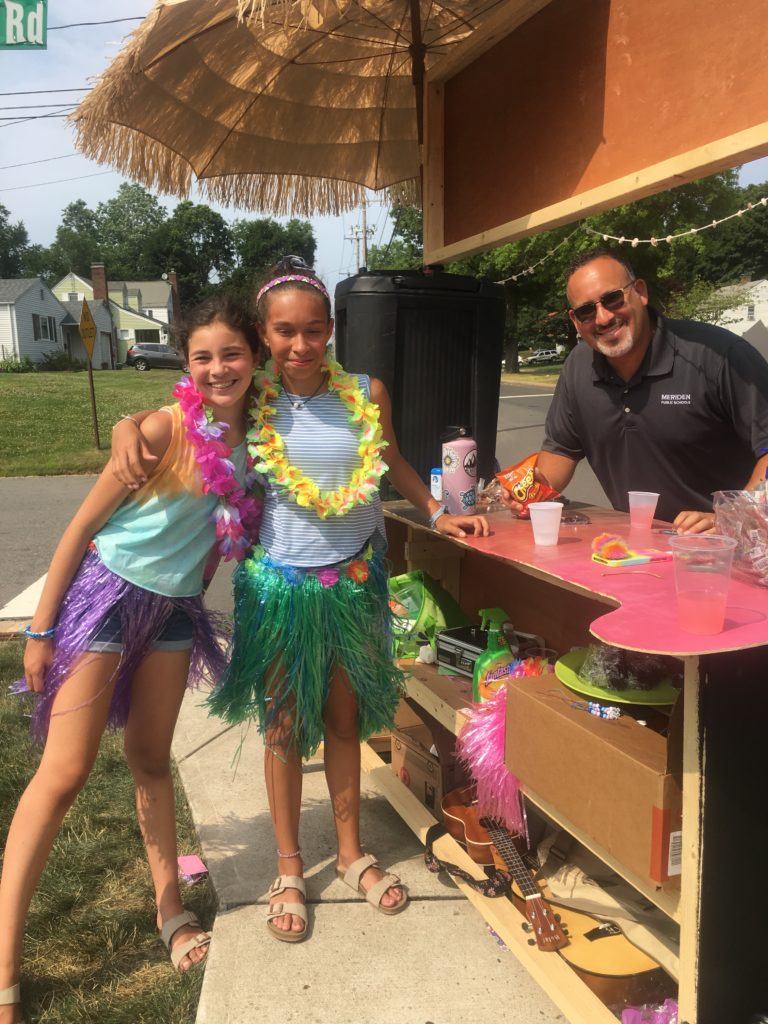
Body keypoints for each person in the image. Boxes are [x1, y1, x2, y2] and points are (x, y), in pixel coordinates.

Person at [111, 257, 489, 943]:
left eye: (313, 331)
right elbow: (182, 413)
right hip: (279, 584)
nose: (299, 346)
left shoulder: (364, 393)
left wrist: (437, 511)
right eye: (283, 333)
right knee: (283, 728)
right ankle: (290, 866)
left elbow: (393, 460)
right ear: (264, 333)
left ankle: (349, 855)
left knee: (345, 721)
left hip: (353, 581)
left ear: (332, 330)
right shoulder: (251, 398)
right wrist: (126, 426)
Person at [0, 297, 262, 1024]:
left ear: (255, 359)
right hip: (110, 600)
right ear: (186, 364)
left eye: (232, 353)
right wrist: (41, 629)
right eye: (203, 356)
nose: (218, 368)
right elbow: (80, 527)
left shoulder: (259, 444)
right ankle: (4, 968)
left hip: (175, 614)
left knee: (151, 760)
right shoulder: (160, 428)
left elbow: (222, 535)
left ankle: (170, 912)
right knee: (64, 772)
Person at [506, 247, 768, 532]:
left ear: (640, 292)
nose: (603, 318)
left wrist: (731, 519)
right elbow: (561, 451)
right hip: (640, 550)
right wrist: (527, 491)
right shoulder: (577, 367)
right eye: (586, 311)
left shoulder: (718, 355)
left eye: (613, 298)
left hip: (727, 552)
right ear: (575, 321)